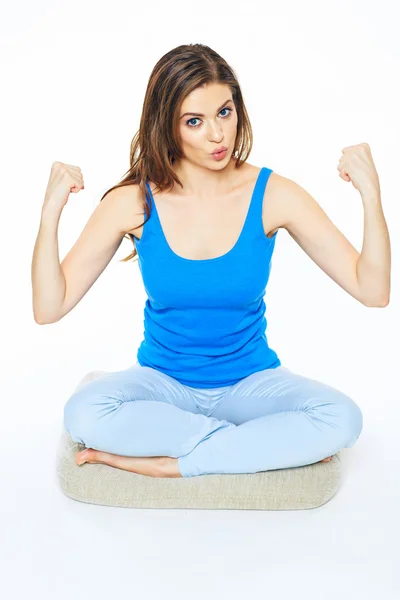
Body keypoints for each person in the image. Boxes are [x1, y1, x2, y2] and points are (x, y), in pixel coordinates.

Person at [33, 44, 372, 479]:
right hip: (162, 385)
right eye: (194, 121)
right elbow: (49, 307)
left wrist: (370, 194)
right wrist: (49, 212)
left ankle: (172, 464)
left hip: (251, 385)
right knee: (83, 413)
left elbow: (371, 288)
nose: (218, 135)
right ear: (167, 127)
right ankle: (248, 444)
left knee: (343, 418)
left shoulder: (273, 194)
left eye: (225, 112)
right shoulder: (134, 202)